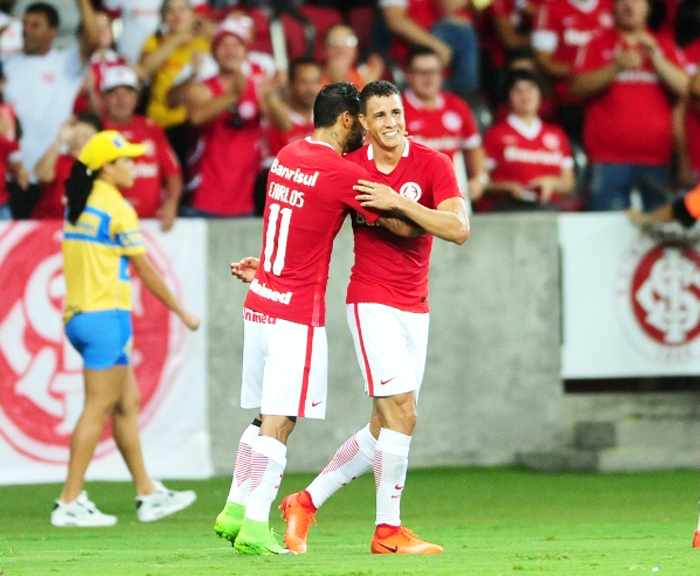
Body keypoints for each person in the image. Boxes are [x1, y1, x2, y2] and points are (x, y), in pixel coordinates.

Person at [211, 82, 417, 556]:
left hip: (262, 300)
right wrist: (412, 206)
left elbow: (293, 224)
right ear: (347, 119)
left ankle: (234, 509)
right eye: (361, 121)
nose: (366, 131)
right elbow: (400, 226)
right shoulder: (341, 173)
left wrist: (266, 267)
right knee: (280, 423)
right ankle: (257, 527)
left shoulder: (286, 155)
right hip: (295, 314)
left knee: (264, 414)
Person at [51, 130, 200, 527]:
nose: (135, 165)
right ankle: (69, 501)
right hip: (106, 319)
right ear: (105, 167)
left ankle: (147, 493)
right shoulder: (117, 208)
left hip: (79, 317)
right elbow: (145, 269)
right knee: (98, 406)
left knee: (125, 403)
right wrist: (181, 312)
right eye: (126, 160)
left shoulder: (79, 203)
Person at [570, 0, 689, 211]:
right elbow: (576, 87)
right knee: (605, 230)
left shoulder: (662, 44)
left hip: (657, 159)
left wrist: (657, 60)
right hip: (608, 159)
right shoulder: (597, 43)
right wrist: (615, 66)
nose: (628, 6)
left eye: (636, 1)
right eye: (622, 1)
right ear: (613, 8)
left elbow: (687, 89)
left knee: (657, 235)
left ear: (648, 8)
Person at [4, 0, 99, 216]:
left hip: (51, 174)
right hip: (13, 174)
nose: (27, 30)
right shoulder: (7, 64)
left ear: (53, 31)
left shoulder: (66, 63)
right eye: (25, 24)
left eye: (35, 25)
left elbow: (92, 40)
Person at [182, 15, 271, 217]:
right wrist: (233, 95)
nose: (230, 51)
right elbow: (196, 117)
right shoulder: (202, 89)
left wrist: (269, 96)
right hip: (204, 197)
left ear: (245, 51)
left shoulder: (257, 86)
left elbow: (282, 124)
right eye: (223, 45)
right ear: (214, 52)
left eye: (236, 45)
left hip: (245, 198)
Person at [476, 69, 575, 211]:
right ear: (508, 97)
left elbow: (569, 184)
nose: (525, 95)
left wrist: (550, 183)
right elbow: (481, 181)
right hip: (508, 209)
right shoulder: (495, 134)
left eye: (531, 89)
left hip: (548, 209)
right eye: (518, 90)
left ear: (541, 94)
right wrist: (507, 188)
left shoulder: (557, 135)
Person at [100, 65, 182, 230]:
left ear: (136, 99)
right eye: (114, 93)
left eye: (127, 93)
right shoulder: (94, 130)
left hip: (152, 225)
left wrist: (171, 204)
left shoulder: (151, 129)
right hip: (107, 226)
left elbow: (173, 174)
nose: (121, 99)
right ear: (103, 99)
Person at [401, 46, 488, 203]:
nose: (429, 78)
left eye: (434, 72)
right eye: (422, 72)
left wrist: (480, 178)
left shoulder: (457, 106)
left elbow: (473, 147)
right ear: (408, 75)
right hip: (410, 196)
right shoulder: (396, 109)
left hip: (452, 196)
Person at [531, 0, 614, 141]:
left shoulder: (611, 5)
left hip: (610, 98)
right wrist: (585, 73)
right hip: (569, 99)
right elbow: (544, 62)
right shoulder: (551, 7)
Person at [33, 113, 102, 219]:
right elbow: (41, 175)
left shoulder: (102, 167)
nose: (78, 141)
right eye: (74, 135)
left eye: (85, 136)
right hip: (48, 226)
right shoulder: (59, 160)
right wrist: (59, 140)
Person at [320, 24, 384, 89]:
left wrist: (370, 85)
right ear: (324, 49)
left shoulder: (361, 75)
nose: (341, 49)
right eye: (333, 42)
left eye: (349, 41)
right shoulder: (315, 77)